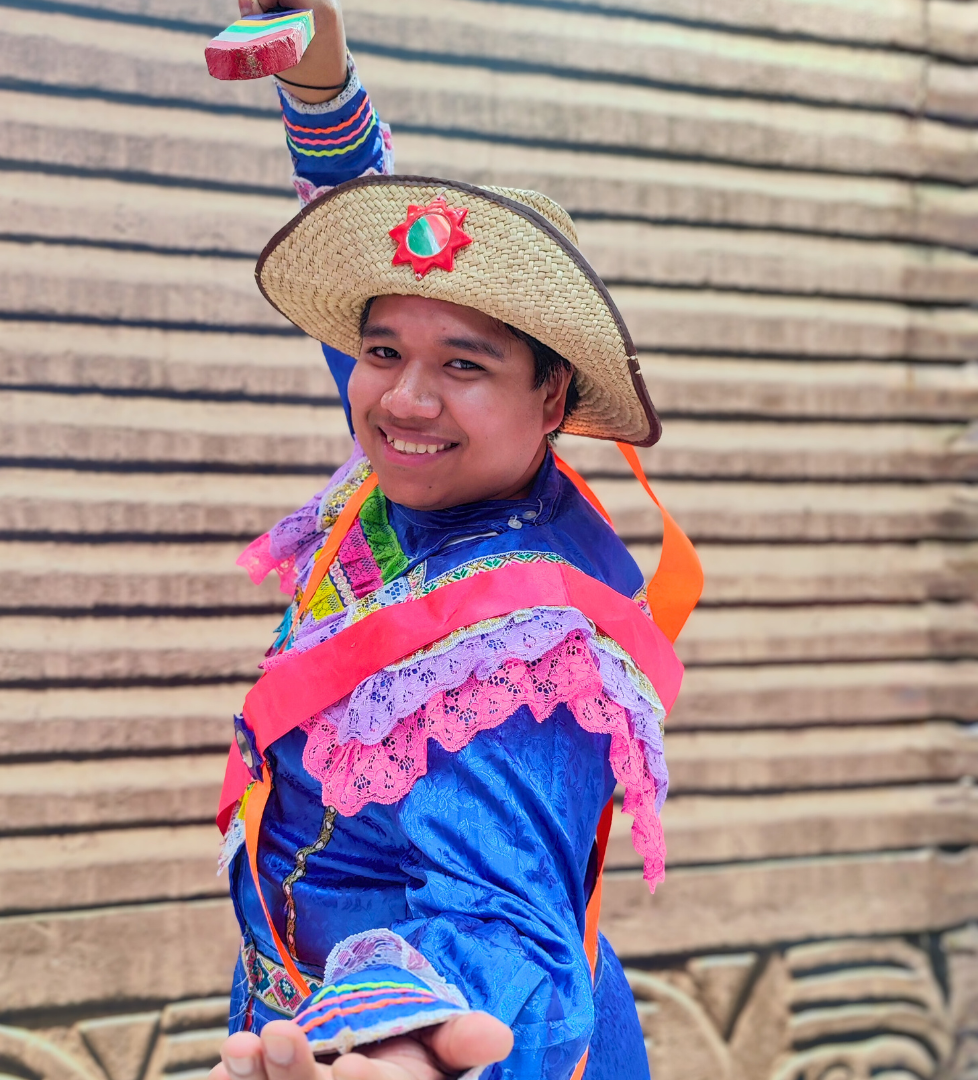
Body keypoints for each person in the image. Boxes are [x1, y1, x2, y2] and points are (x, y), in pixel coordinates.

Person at [207, 3, 702, 1078]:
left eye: (465, 365)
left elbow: (502, 924)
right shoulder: (431, 464)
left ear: (552, 393)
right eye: (381, 350)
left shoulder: (521, 651)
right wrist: (321, 84)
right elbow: (363, 235)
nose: (403, 398)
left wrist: (415, 1051)